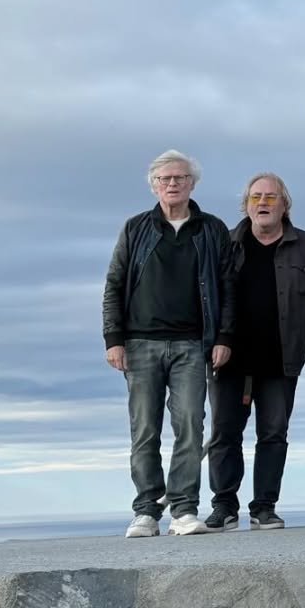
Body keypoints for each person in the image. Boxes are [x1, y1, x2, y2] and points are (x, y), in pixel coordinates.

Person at [103, 150, 235, 537]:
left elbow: (227, 288)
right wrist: (113, 338)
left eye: (179, 178)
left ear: (193, 183)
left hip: (193, 344)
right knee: (144, 429)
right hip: (140, 343)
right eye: (165, 179)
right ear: (154, 185)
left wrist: (223, 337)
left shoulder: (212, 229)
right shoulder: (135, 228)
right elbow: (114, 284)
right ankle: (146, 510)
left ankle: (184, 510)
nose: (172, 184)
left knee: (191, 426)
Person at [204, 173, 305, 531]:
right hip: (230, 358)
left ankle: (264, 507)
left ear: (285, 205)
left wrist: (301, 336)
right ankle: (224, 506)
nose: (263, 203)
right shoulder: (224, 244)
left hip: (281, 358)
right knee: (224, 433)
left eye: (272, 197)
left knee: (273, 434)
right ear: (245, 205)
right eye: (256, 197)